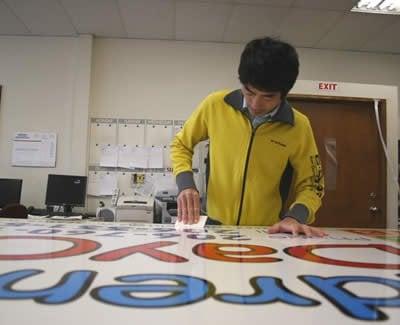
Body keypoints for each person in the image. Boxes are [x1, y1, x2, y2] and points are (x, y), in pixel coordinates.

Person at [170, 37, 325, 237]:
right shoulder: (215, 105)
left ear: (284, 94)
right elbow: (181, 144)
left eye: (268, 96)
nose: (256, 104)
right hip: (215, 229)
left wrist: (295, 217)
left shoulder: (298, 125)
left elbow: (313, 183)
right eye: (249, 92)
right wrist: (186, 184)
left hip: (266, 233)